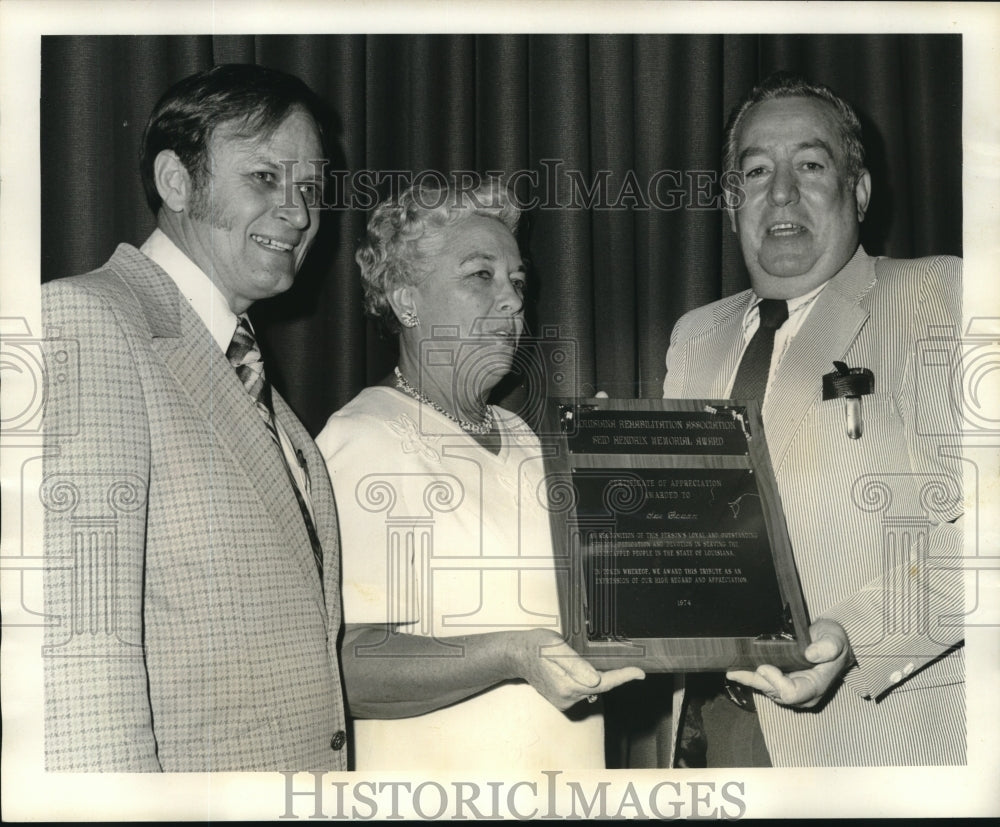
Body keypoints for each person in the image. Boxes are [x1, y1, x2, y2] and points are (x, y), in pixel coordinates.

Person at [41, 64, 348, 771]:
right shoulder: (87, 321)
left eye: (309, 188)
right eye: (266, 178)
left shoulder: (249, 376)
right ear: (176, 182)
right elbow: (78, 654)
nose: (299, 213)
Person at [662, 72, 964, 767]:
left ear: (857, 190)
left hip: (873, 740)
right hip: (709, 734)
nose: (782, 193)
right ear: (732, 200)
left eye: (810, 164)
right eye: (758, 170)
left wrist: (852, 635)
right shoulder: (693, 337)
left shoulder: (936, 295)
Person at [316, 179, 644, 770]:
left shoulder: (526, 439)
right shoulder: (363, 437)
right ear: (405, 298)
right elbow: (345, 668)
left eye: (517, 282)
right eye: (481, 276)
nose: (515, 301)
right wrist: (510, 654)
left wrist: (620, 492)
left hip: (571, 786)